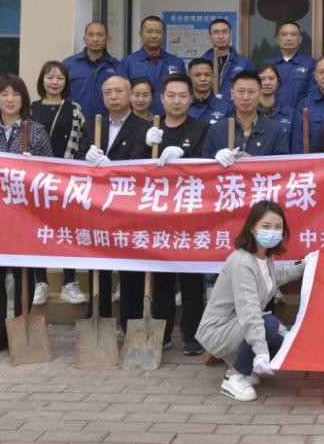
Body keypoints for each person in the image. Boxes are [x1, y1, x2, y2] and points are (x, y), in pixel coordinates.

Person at [0, 74, 55, 356]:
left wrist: (34, 168)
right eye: (4, 94)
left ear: (24, 99)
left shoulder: (36, 131)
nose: (10, 99)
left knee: (23, 273)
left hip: (26, 215)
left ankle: (20, 327)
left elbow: (51, 173)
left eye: (16, 94)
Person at [196, 200, 311, 402]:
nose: (272, 232)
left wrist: (306, 265)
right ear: (251, 228)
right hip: (219, 329)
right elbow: (249, 312)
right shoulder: (242, 262)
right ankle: (234, 376)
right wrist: (260, 352)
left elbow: (277, 277)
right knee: (269, 324)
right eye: (266, 226)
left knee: (283, 346)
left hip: (238, 326)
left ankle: (244, 367)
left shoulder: (265, 258)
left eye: (278, 227)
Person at [141, 73, 210, 354]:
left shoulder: (201, 128)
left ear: (191, 99)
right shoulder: (151, 129)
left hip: (190, 214)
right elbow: (134, 171)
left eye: (183, 96)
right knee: (162, 279)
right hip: (157, 216)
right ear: (161, 98)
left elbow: (207, 164)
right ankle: (163, 331)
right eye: (171, 95)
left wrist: (184, 155)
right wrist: (144, 145)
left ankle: (192, 335)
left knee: (192, 278)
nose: (177, 101)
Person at [79, 75, 152, 328]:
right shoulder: (92, 126)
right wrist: (85, 158)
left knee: (130, 269)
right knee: (97, 266)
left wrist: (114, 169)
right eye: (108, 92)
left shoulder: (144, 128)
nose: (113, 96)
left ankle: (130, 322)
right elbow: (77, 159)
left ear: (130, 95)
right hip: (97, 208)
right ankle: (99, 318)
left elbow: (143, 163)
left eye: (119, 91)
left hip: (128, 208)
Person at [28, 61, 88, 307]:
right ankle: (40, 282)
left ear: (66, 82)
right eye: (50, 77)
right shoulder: (30, 109)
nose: (54, 82)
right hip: (37, 180)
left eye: (59, 78)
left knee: (68, 230)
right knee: (37, 229)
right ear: (42, 80)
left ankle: (69, 282)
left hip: (67, 178)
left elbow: (82, 142)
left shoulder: (74, 110)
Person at [202, 70, 290, 161]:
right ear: (232, 94)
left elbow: (283, 165)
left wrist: (252, 161)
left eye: (251, 92)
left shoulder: (275, 130)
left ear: (260, 94)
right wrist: (216, 156)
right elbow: (204, 163)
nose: (246, 97)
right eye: (241, 91)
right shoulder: (217, 130)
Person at [120, 15, 185, 115]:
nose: (154, 36)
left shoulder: (176, 62)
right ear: (141, 34)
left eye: (158, 32)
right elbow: (122, 95)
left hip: (170, 118)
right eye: (149, 32)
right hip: (138, 119)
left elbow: (184, 93)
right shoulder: (128, 63)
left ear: (163, 35)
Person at [62, 20, 119, 119]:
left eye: (100, 35)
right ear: (84, 39)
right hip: (74, 122)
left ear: (107, 39)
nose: (95, 39)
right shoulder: (69, 64)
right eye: (91, 35)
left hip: (107, 123)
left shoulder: (116, 66)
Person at [291, 56, 324, 154]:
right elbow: (298, 144)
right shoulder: (305, 105)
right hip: (316, 162)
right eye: (321, 72)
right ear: (315, 76)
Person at [264, 21, 315, 112]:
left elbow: (312, 95)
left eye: (293, 34)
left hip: (299, 116)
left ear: (300, 39)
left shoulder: (311, 64)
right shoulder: (267, 65)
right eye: (284, 34)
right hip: (272, 116)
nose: (288, 38)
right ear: (278, 39)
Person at [201, 18, 254, 105]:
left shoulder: (244, 63)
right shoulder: (201, 63)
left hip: (234, 109)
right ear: (210, 37)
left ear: (230, 36)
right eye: (216, 32)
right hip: (207, 109)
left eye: (224, 32)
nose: (220, 36)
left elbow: (252, 89)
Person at [256, 62, 295, 142]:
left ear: (278, 82)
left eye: (271, 78)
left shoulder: (290, 113)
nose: (267, 83)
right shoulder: (249, 111)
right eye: (262, 79)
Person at [187, 57, 229, 124]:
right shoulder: (181, 105)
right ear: (189, 78)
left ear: (213, 78)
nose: (203, 79)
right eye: (198, 75)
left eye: (207, 75)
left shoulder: (227, 107)